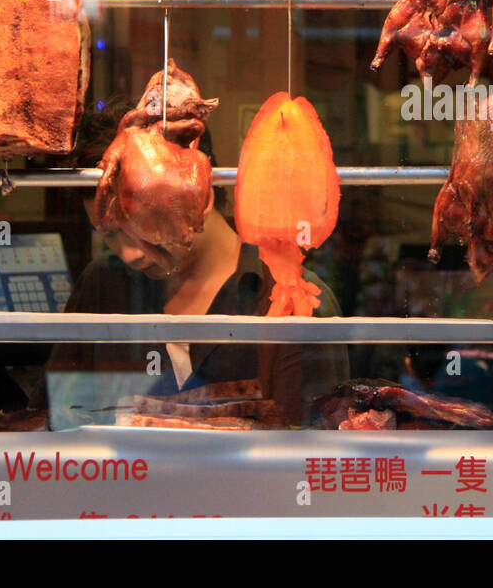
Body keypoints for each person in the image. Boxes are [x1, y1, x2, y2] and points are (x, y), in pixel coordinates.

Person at [47, 96, 349, 427]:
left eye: (144, 226)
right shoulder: (104, 283)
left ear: (200, 195)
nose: (130, 253)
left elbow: (312, 457)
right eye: (110, 235)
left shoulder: (293, 301)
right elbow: (55, 424)